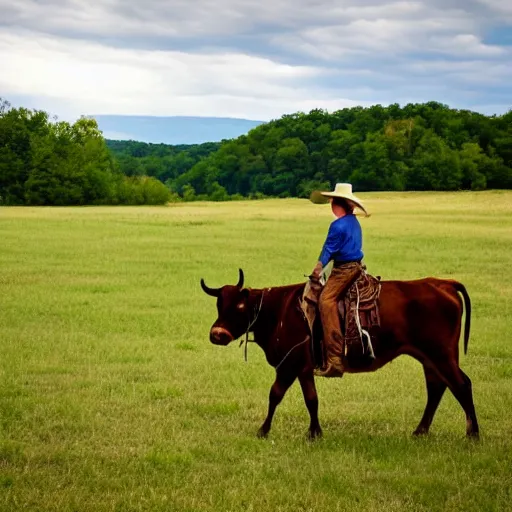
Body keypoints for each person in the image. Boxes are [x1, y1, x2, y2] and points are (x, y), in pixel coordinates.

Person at [311, 183, 368, 378]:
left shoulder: (337, 225)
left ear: (337, 204)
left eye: (332, 201)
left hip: (344, 270)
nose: (330, 205)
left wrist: (317, 269)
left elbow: (329, 250)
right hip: (358, 267)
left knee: (326, 301)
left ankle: (334, 360)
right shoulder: (353, 222)